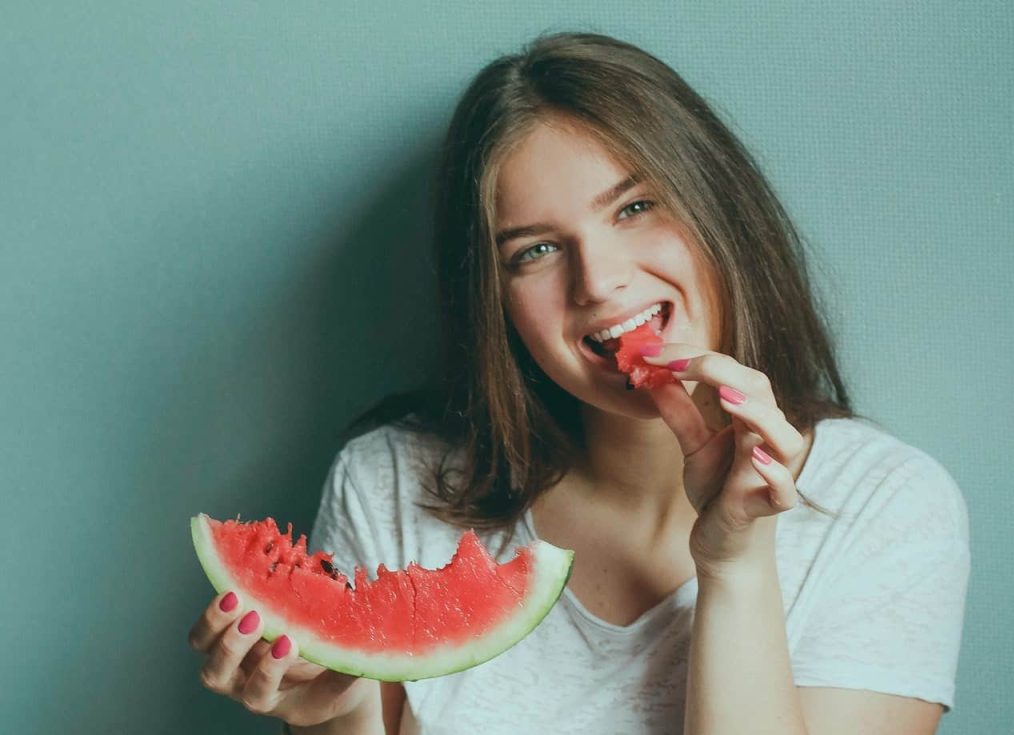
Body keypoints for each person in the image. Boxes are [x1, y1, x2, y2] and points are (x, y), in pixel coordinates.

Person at [187, 31, 970, 735]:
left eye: (634, 207)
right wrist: (335, 716)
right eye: (534, 251)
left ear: (719, 209)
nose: (599, 282)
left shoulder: (888, 508)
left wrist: (735, 566)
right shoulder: (391, 483)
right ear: (492, 299)